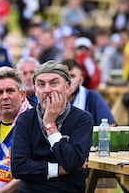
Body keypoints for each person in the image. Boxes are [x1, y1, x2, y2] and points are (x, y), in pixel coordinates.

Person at [11, 60, 93, 192]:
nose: (47, 90)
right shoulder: (25, 119)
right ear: (36, 89)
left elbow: (72, 162)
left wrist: (50, 125)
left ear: (67, 87)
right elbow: (18, 168)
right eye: (41, 84)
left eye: (54, 83)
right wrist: (59, 169)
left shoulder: (82, 119)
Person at [61, 58, 116, 126]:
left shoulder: (92, 97)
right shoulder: (50, 98)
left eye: (72, 76)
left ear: (81, 80)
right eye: (65, 76)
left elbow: (110, 125)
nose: (68, 81)